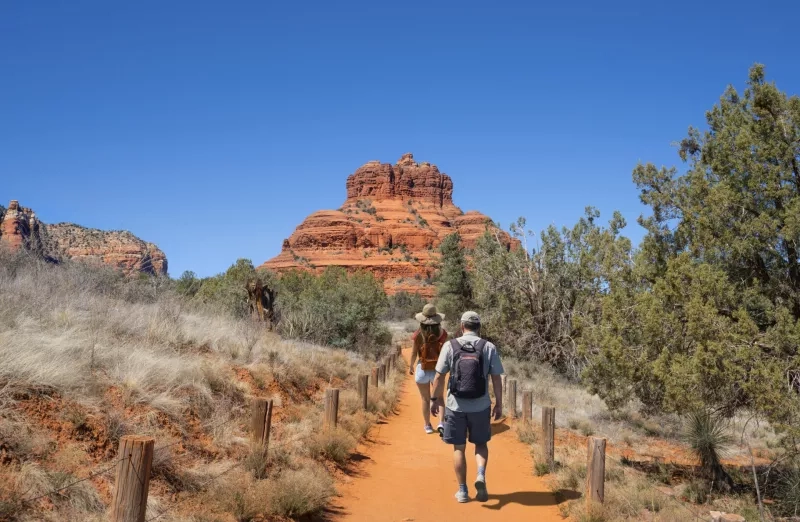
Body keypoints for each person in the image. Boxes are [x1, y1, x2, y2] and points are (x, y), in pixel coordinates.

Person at [430, 311, 504, 503]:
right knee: (480, 444)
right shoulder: (489, 347)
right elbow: (496, 378)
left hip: (456, 406)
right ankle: (480, 474)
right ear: (479, 327)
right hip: (481, 406)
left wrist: (434, 398)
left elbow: (438, 377)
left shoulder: (450, 345)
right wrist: (499, 404)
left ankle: (462, 491)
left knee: (459, 448)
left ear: (462, 326)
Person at [408, 303, 449, 434]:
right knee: (440, 398)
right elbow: (445, 353)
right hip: (438, 370)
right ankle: (441, 423)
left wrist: (410, 366)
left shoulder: (417, 335)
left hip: (422, 369)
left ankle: (427, 426)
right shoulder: (443, 334)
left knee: (425, 399)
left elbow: (414, 353)